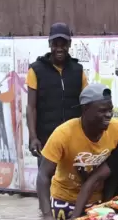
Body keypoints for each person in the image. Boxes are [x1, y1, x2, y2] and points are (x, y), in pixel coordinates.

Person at [37, 84, 118, 220]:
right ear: (85, 109)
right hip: (64, 200)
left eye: (110, 110)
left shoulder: (117, 130)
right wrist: (47, 215)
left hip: (98, 201)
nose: (108, 115)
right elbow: (43, 175)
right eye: (102, 111)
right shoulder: (63, 134)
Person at [26, 22, 89, 160]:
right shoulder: (36, 70)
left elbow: (86, 105)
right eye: (56, 44)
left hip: (73, 139)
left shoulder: (78, 71)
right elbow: (31, 107)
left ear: (69, 45)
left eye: (63, 44)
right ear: (50, 44)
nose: (59, 49)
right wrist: (33, 137)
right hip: (46, 140)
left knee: (74, 180)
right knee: (46, 179)